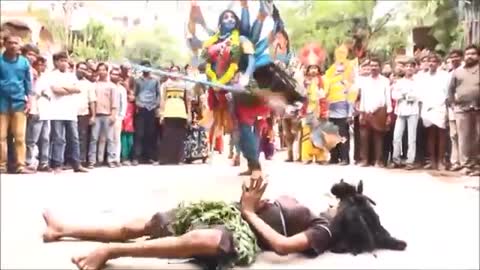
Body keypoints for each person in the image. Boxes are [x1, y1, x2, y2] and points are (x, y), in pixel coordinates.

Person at [42, 177, 332, 270]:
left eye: (342, 205)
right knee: (144, 225)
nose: (335, 203)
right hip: (227, 213)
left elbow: (282, 246)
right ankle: (63, 229)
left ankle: (111, 251)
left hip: (240, 230)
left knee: (206, 241)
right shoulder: (306, 206)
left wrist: (249, 212)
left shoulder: (323, 230)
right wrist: (252, 201)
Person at [39, 52, 88, 173]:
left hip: (71, 112)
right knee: (59, 138)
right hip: (56, 112)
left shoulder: (72, 76)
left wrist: (64, 88)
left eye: (66, 60)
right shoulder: (51, 75)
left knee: (74, 138)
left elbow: (77, 89)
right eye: (61, 60)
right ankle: (57, 164)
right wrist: (69, 89)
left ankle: (77, 164)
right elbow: (55, 90)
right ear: (55, 62)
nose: (64, 63)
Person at [0, 35, 34, 174]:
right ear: (5, 44)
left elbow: (28, 83)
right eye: (10, 43)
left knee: (20, 137)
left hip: (19, 102)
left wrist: (30, 101)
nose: (13, 45)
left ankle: (21, 165)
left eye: (16, 43)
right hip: (1, 103)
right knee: (0, 137)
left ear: (19, 46)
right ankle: (2, 165)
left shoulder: (24, 62)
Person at [448, 45, 480, 176]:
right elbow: (450, 90)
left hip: (478, 109)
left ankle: (477, 165)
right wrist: (453, 103)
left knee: (478, 137)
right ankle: (467, 165)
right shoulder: (458, 72)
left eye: (473, 53)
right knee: (464, 139)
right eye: (467, 54)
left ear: (478, 56)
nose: (469, 56)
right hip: (462, 110)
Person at [358, 58, 393, 167]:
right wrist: (361, 112)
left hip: (380, 111)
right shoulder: (364, 81)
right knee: (364, 137)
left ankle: (378, 160)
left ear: (380, 67)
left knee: (379, 138)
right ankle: (365, 160)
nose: (373, 68)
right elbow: (362, 97)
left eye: (376, 66)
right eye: (371, 66)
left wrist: (388, 114)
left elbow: (388, 98)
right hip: (367, 110)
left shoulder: (385, 81)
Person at [418, 53, 450, 171]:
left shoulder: (445, 76)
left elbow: (447, 94)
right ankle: (433, 161)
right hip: (427, 107)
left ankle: (441, 160)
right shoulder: (423, 77)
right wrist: (422, 111)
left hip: (440, 107)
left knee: (441, 134)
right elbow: (420, 95)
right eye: (429, 61)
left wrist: (446, 110)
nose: (431, 63)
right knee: (430, 134)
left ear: (438, 63)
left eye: (434, 61)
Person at [157, 66, 191, 165]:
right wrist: (161, 114)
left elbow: (187, 100)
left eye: (176, 71)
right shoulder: (165, 84)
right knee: (167, 136)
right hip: (169, 110)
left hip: (180, 111)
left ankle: (179, 159)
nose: (174, 73)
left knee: (179, 136)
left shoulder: (184, 85)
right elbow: (162, 99)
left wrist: (188, 114)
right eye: (172, 71)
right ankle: (165, 159)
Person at [390, 60, 420, 170]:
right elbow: (394, 95)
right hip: (401, 111)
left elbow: (417, 95)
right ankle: (395, 159)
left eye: (411, 66)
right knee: (396, 136)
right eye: (407, 66)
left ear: (414, 68)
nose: (409, 68)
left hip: (413, 111)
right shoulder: (399, 82)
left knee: (411, 138)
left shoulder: (418, 81)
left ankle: (410, 161)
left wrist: (406, 95)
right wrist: (403, 95)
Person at [87, 63, 119, 168]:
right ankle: (92, 160)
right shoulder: (94, 85)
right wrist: (92, 115)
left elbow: (114, 102)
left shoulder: (112, 86)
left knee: (110, 138)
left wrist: (113, 115)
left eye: (104, 70)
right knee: (94, 138)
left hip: (108, 114)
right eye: (99, 70)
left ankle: (111, 159)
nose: (102, 72)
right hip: (96, 115)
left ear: (107, 71)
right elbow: (92, 100)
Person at [132, 61, 161, 165]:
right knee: (139, 134)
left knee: (151, 133)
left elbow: (158, 94)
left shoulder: (156, 80)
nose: (146, 69)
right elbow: (135, 94)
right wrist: (138, 104)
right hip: (141, 108)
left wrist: (156, 105)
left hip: (151, 108)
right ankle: (136, 157)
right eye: (144, 67)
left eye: (148, 67)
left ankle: (150, 157)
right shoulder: (138, 80)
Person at [74, 61, 96, 166]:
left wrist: (93, 115)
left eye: (84, 69)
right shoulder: (70, 80)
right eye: (80, 68)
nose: (82, 71)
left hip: (83, 114)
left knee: (82, 137)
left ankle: (81, 160)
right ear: (76, 68)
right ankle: (69, 160)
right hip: (69, 114)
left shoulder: (89, 84)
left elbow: (92, 101)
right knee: (70, 137)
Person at [445, 49, 464, 171]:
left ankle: (464, 162)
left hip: (464, 108)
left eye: (456, 56)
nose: (454, 59)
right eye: (452, 57)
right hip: (452, 109)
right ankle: (455, 161)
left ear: (461, 57)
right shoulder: (449, 73)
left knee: (464, 136)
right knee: (453, 135)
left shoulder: (464, 71)